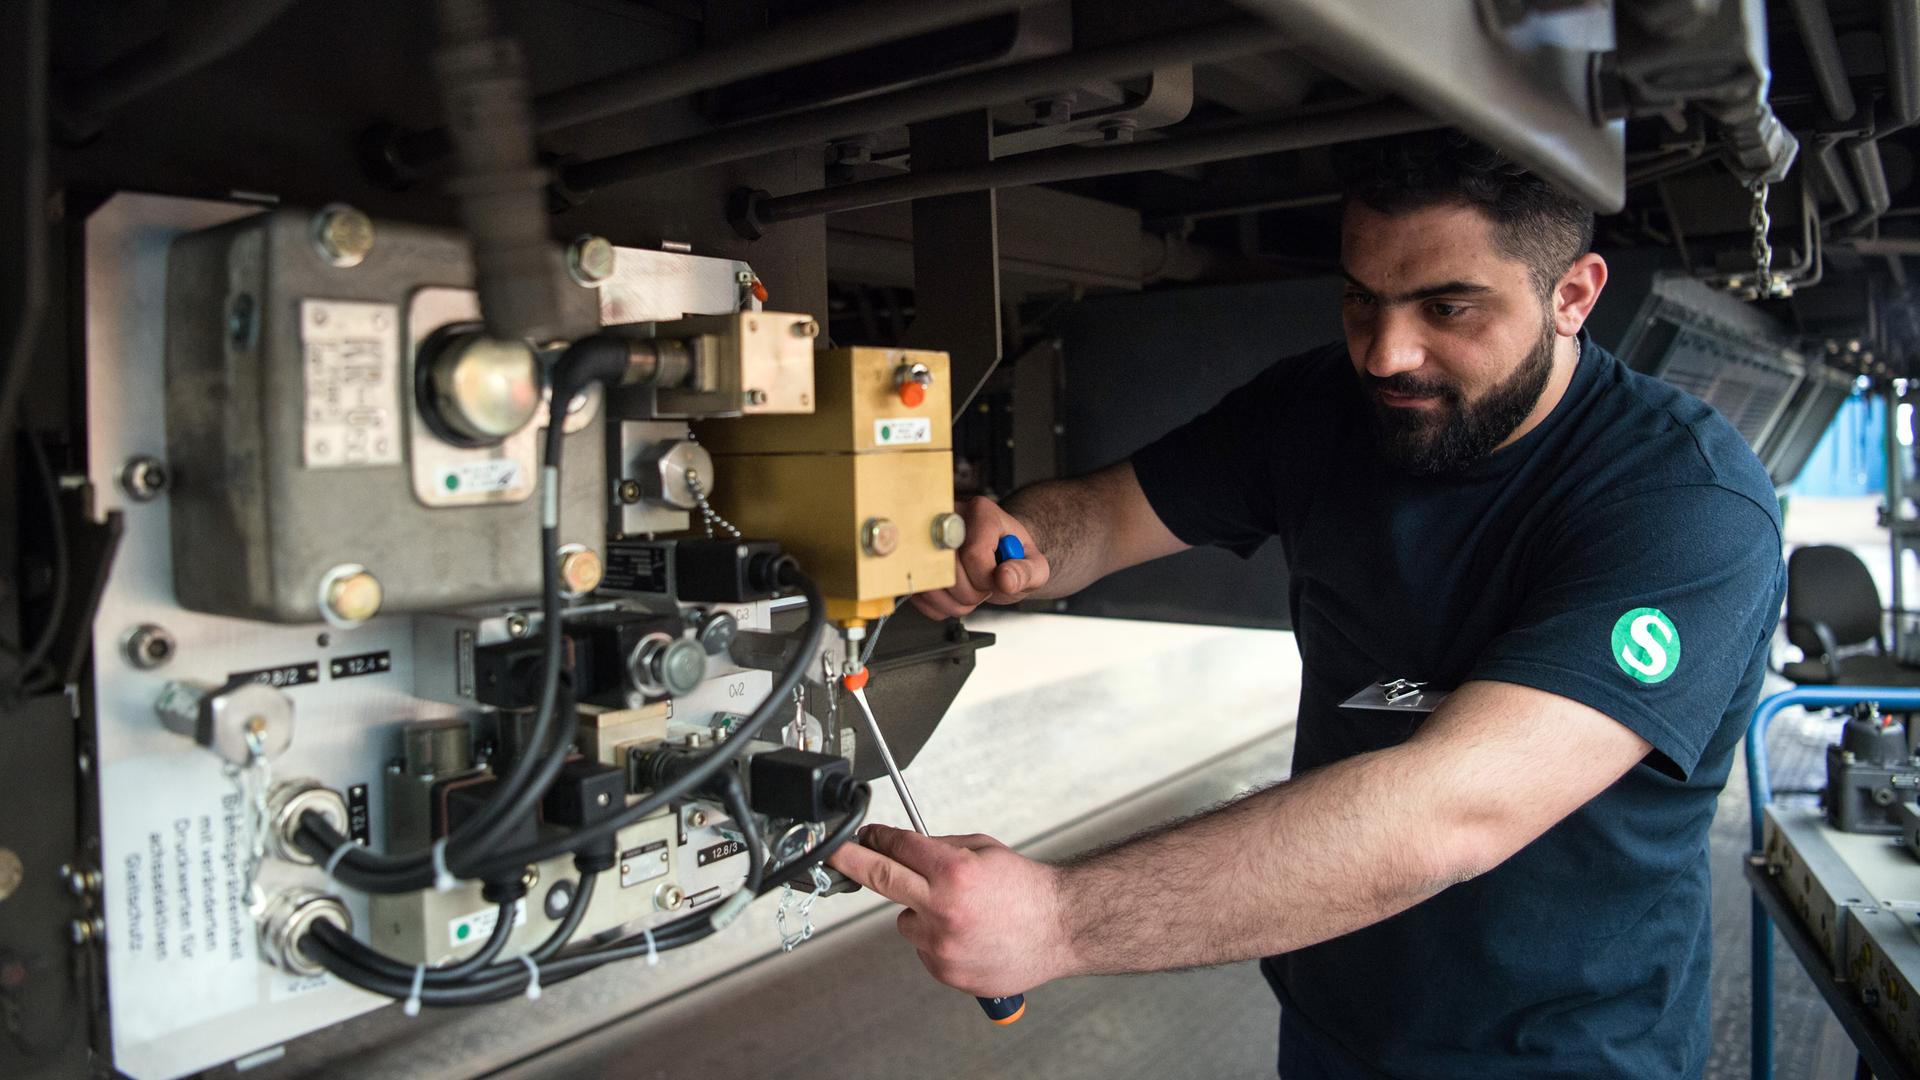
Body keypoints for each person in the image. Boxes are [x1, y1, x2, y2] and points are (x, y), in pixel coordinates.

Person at [826, 131, 1786, 1079]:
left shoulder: (1684, 501)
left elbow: (1459, 807)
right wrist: (1019, 545)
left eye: (1447, 307)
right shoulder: (1321, 408)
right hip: (1335, 1025)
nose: (1385, 352)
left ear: (1572, 296)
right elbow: (1108, 516)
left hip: (1562, 1053)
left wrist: (1059, 920)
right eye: (1361, 301)